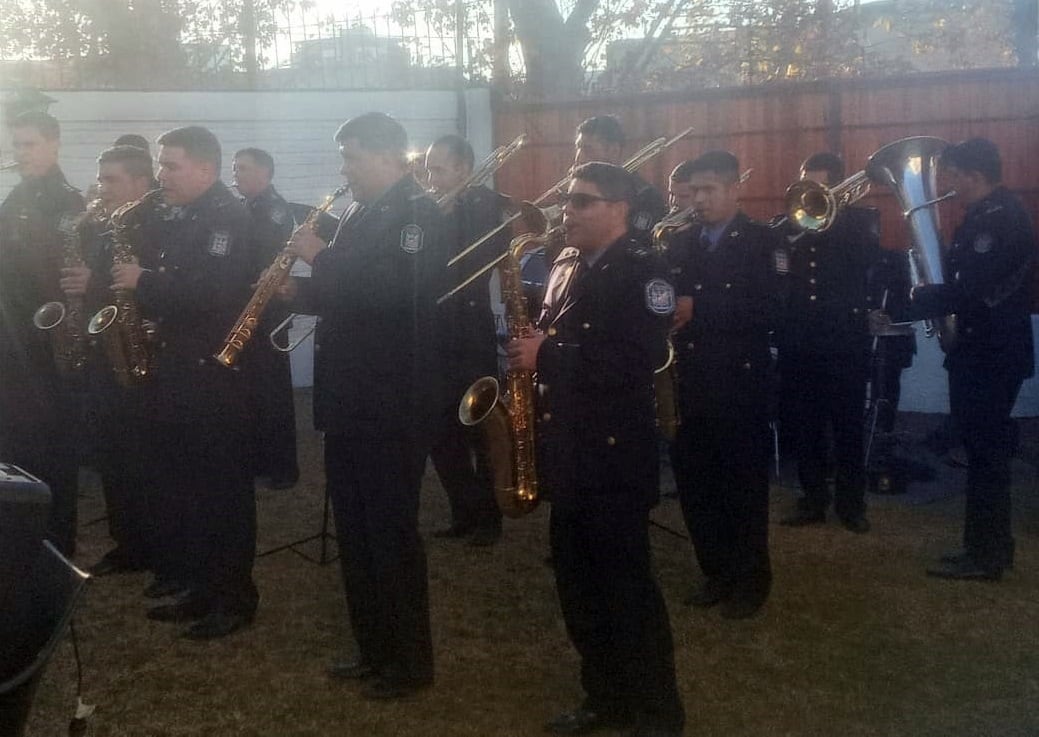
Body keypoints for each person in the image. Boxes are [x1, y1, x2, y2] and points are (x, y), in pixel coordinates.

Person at [507, 162, 684, 737]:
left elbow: (637, 360)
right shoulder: (564, 260)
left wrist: (547, 357)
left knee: (626, 589)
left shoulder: (645, 268)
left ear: (620, 209)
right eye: (568, 199)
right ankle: (603, 697)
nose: (569, 210)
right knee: (578, 587)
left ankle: (656, 713)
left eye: (584, 201)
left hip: (613, 455)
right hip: (570, 447)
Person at [281, 112, 447, 699]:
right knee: (355, 530)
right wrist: (295, 289)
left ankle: (408, 663)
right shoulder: (360, 211)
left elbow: (391, 292)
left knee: (390, 533)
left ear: (386, 157)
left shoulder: (417, 214)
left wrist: (319, 256)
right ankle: (373, 646)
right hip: (350, 398)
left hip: (391, 401)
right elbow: (342, 294)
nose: (344, 170)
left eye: (351, 157)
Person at [112, 126, 259, 638]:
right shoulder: (188, 214)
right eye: (161, 164)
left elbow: (212, 293)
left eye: (171, 165)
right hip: (180, 372)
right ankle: (200, 586)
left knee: (222, 492)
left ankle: (234, 597)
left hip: (212, 378)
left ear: (204, 168)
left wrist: (143, 282)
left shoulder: (227, 218)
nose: (161, 174)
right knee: (190, 489)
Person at [874, 137, 1035, 581]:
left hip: (991, 355)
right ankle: (983, 548)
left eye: (953, 177)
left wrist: (911, 306)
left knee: (986, 456)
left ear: (973, 176)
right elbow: (956, 276)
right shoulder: (982, 216)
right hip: (978, 353)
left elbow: (971, 290)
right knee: (982, 453)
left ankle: (987, 555)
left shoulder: (1002, 219)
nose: (947, 185)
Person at [667, 150, 777, 619]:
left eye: (710, 189)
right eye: (694, 191)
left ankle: (750, 581)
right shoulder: (679, 242)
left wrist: (701, 311)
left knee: (743, 488)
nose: (700, 199)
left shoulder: (762, 242)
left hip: (739, 385)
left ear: (736, 188)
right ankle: (715, 571)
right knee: (696, 486)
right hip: (688, 383)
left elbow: (774, 311)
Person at [62, 145, 158, 576]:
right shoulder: (104, 223)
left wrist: (94, 283)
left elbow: (146, 291)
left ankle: (152, 543)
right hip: (107, 352)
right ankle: (129, 543)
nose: (102, 188)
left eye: (111, 180)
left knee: (142, 461)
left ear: (141, 183)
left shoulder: (154, 225)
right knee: (114, 458)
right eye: (100, 180)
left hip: (141, 358)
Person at [773, 152, 879, 533]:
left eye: (821, 186)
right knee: (806, 424)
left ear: (838, 188)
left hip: (843, 341)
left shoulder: (858, 223)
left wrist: (834, 216)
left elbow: (868, 259)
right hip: (800, 340)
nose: (812, 193)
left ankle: (852, 504)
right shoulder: (788, 225)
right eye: (807, 183)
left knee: (847, 424)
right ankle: (812, 499)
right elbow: (776, 261)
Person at [0, 111, 85, 556]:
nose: (19, 153)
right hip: (13, 346)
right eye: (15, 145)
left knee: (52, 452)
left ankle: (54, 546)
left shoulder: (69, 203)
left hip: (50, 349)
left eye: (29, 144)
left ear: (54, 144)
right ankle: (21, 538)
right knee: (16, 446)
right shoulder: (17, 198)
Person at [424, 134, 505, 546]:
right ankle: (463, 510)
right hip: (434, 333)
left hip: (470, 332)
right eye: (428, 168)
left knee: (478, 425)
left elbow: (477, 261)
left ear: (462, 169)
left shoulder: (487, 204)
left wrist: (447, 214)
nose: (430, 177)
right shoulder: (428, 207)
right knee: (441, 432)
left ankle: (489, 517)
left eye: (438, 168)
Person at [232, 147, 300, 490]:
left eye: (242, 168)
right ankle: (259, 459)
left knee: (272, 391)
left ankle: (283, 468)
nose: (235, 175)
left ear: (264, 173)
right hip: (249, 309)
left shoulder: (273, 210)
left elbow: (260, 256)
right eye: (234, 168)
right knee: (253, 391)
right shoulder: (246, 207)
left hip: (268, 311)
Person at [573, 115, 668, 246]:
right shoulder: (577, 187)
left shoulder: (645, 196)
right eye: (578, 148)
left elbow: (638, 242)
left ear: (614, 151)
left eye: (587, 149)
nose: (579, 158)